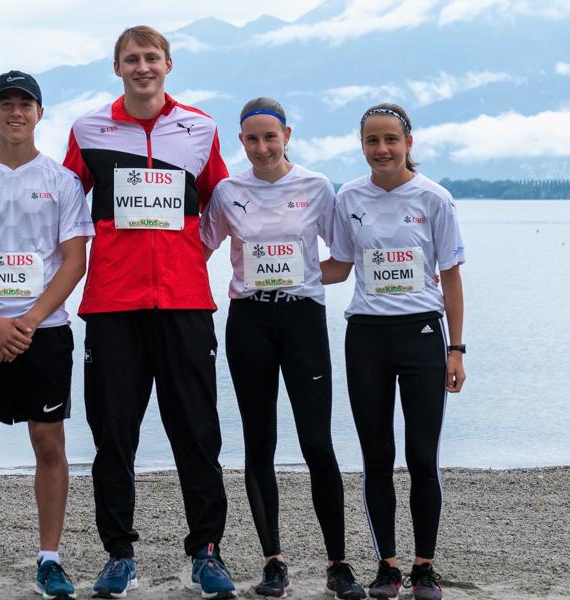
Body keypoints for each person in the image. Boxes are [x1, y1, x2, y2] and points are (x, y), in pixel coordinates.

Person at [62, 25, 236, 600]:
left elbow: (222, 202)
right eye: (132, 59)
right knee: (114, 436)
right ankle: (119, 555)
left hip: (185, 303)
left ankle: (206, 552)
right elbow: (66, 209)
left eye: (152, 58)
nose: (143, 67)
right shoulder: (88, 129)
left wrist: (192, 253)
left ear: (169, 64)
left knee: (198, 432)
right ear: (117, 67)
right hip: (112, 304)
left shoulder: (200, 127)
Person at [200, 97, 367, 600]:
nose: (262, 147)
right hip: (249, 319)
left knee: (317, 442)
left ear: (287, 136)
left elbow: (342, 257)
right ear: (241, 142)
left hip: (302, 319)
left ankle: (338, 564)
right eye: (252, 139)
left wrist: (308, 279)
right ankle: (274, 561)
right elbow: (198, 246)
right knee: (259, 442)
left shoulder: (317, 187)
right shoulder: (228, 191)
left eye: (270, 137)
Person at [0, 70, 92, 600]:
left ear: (39, 113)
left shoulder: (62, 181)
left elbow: (74, 261)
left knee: (47, 440)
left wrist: (27, 322)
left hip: (45, 331)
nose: (16, 112)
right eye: (6, 103)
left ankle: (49, 560)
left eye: (25, 104)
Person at [322, 103, 466, 600]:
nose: (381, 149)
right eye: (371, 141)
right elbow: (339, 266)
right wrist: (269, 267)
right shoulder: (348, 198)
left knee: (422, 455)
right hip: (365, 336)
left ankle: (424, 566)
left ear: (409, 143)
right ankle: (388, 566)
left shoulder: (435, 198)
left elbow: (450, 278)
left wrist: (456, 348)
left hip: (423, 335)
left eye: (390, 140)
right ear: (361, 145)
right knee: (377, 455)